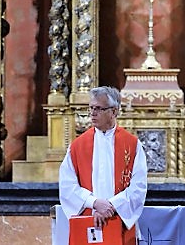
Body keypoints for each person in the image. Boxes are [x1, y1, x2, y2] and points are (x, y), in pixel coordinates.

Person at [58, 86, 147, 244]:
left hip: (119, 221)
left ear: (114, 111)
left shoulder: (132, 144)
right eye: (91, 108)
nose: (92, 113)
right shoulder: (78, 146)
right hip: (87, 219)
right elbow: (67, 185)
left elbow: (138, 187)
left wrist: (111, 206)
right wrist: (94, 203)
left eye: (98, 108)